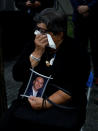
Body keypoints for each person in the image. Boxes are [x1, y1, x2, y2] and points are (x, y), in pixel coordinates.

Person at [0, 8, 90, 130]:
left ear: (59, 33)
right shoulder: (33, 45)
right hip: (30, 101)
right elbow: (17, 75)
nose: (38, 35)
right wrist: (36, 54)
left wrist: (45, 103)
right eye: (37, 30)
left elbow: (73, 88)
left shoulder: (76, 51)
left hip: (60, 104)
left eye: (43, 31)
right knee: (9, 121)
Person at [70, 0, 98, 83]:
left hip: (95, 18)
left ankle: (97, 76)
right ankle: (81, 75)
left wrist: (88, 7)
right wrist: (79, 8)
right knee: (80, 50)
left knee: (96, 49)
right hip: (79, 20)